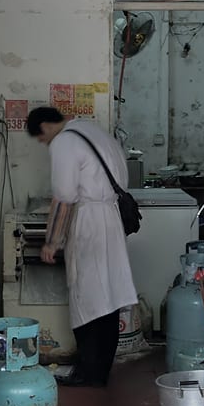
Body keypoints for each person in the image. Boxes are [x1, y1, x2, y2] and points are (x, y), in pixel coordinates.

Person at [26, 106, 138, 388]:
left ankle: (88, 372)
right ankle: (100, 370)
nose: (44, 143)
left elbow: (64, 198)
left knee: (87, 297)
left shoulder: (64, 140)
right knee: (109, 297)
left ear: (45, 127)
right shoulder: (92, 130)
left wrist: (52, 241)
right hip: (110, 217)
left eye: (41, 138)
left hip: (89, 221)